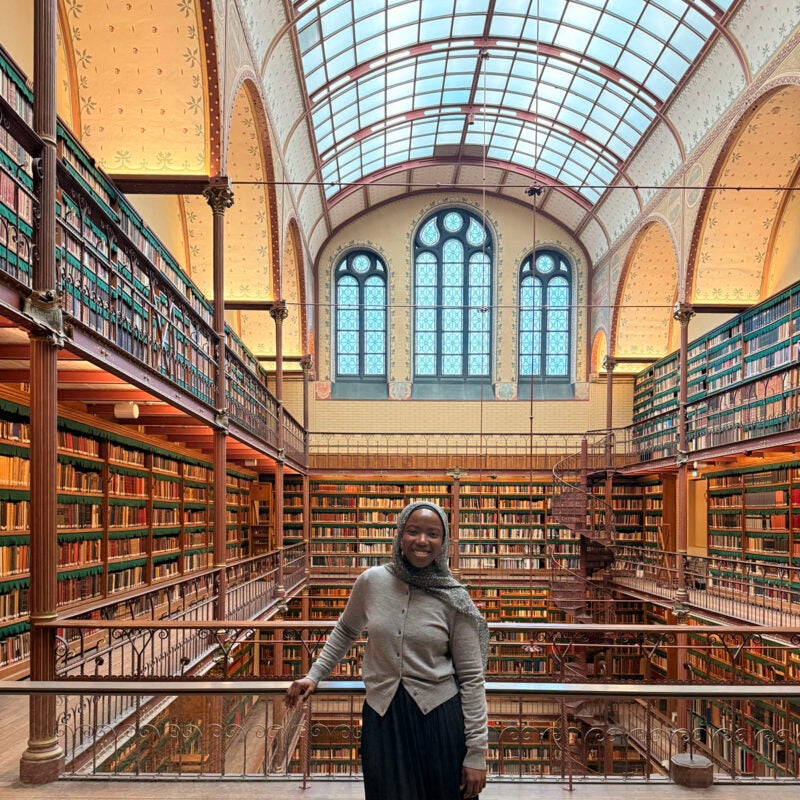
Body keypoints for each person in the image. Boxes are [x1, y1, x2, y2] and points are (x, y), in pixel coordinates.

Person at [285, 500, 489, 799]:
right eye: (413, 531)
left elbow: (472, 678)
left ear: (443, 542)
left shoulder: (454, 598)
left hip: (439, 720)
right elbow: (345, 630)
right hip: (383, 718)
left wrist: (477, 753)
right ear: (399, 535)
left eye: (433, 533)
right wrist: (314, 675)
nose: (422, 540)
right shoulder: (372, 582)